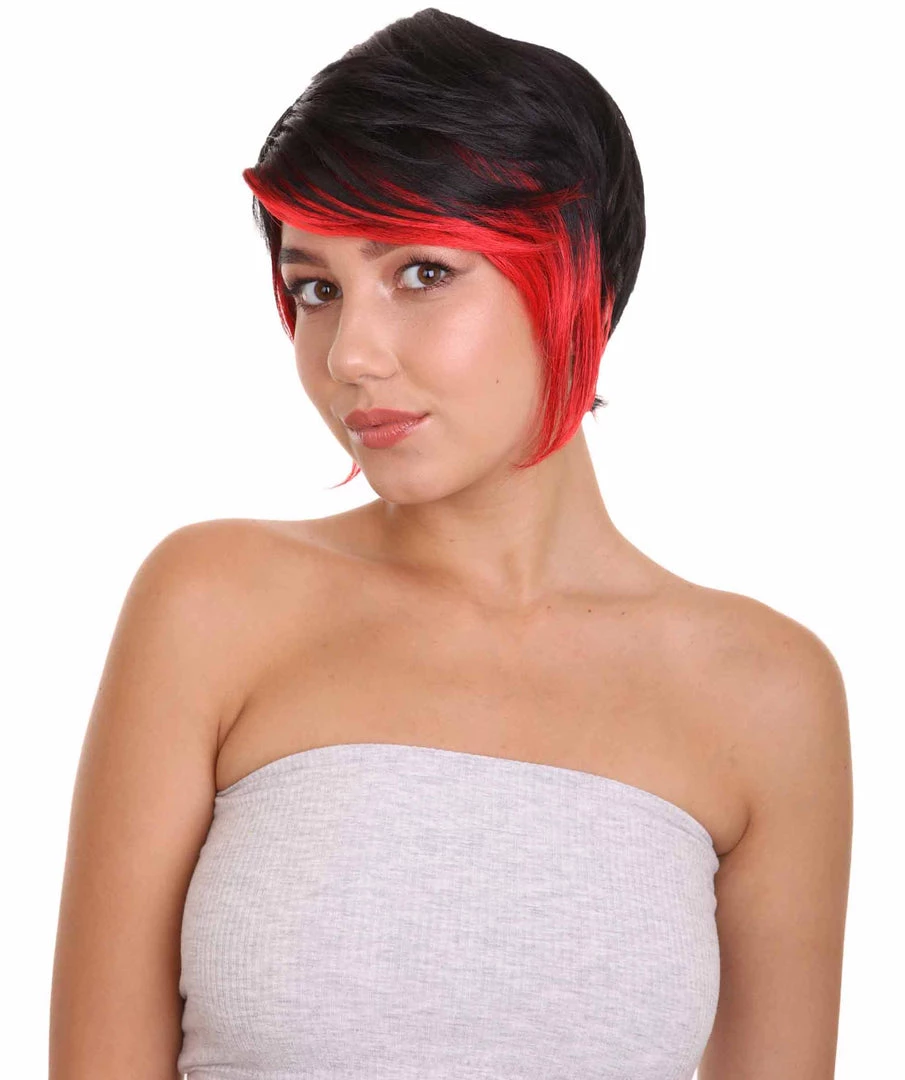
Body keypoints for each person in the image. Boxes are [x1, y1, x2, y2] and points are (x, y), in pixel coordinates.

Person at [49, 8, 853, 1079]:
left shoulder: (763, 692)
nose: (350, 354)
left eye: (421, 273)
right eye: (316, 288)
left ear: (577, 277)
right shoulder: (214, 605)